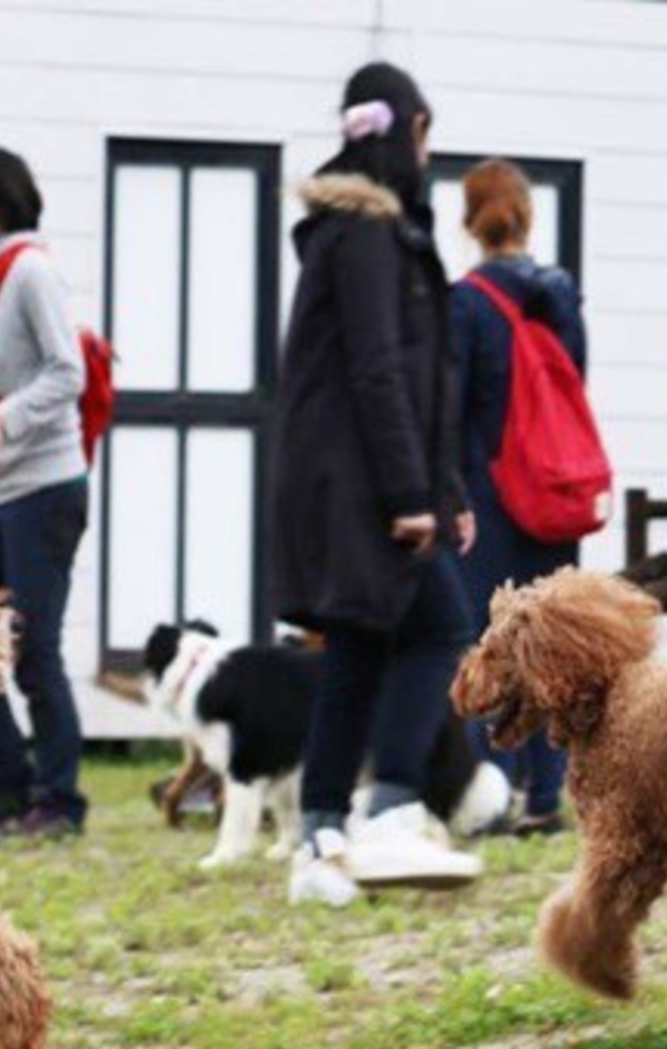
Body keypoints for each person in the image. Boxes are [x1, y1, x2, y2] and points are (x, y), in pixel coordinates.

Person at [270, 62, 482, 907]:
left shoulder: (372, 229)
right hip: (359, 485)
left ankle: (322, 837)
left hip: (363, 478)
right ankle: (389, 804)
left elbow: (419, 379)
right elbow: (376, 370)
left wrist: (448, 487)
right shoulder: (365, 234)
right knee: (441, 629)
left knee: (360, 650)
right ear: (413, 131)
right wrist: (409, 495)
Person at [0, 145, 89, 837]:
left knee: (33, 647)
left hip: (49, 486)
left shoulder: (30, 271)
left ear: (3, 193)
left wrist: (2, 420)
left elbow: (69, 373)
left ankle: (58, 799)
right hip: (1, 491)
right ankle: (5, 778)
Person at [449, 158, 587, 838]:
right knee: (550, 644)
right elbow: (573, 380)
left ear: (470, 222)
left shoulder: (466, 301)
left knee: (488, 642)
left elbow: (452, 405)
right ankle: (546, 795)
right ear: (529, 215)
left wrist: (450, 489)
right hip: (555, 488)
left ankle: (488, 797)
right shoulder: (561, 292)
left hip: (488, 493)